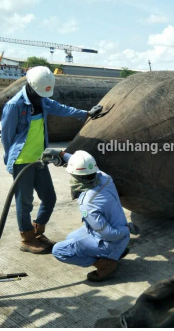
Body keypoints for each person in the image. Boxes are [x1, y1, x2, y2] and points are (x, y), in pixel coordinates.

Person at [1, 66, 103, 254]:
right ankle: (27, 238)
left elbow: (62, 109)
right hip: (22, 162)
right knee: (25, 203)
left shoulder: (42, 100)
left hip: (40, 160)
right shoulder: (14, 105)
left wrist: (86, 113)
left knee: (49, 198)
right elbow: (6, 137)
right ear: (31, 85)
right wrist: (11, 162)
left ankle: (38, 231)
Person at [42, 149, 140, 282]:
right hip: (118, 234)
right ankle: (116, 253)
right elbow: (87, 167)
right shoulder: (105, 178)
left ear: (74, 175)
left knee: (59, 250)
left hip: (114, 239)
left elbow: (110, 234)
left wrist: (128, 228)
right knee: (70, 238)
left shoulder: (88, 204)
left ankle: (106, 264)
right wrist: (62, 154)